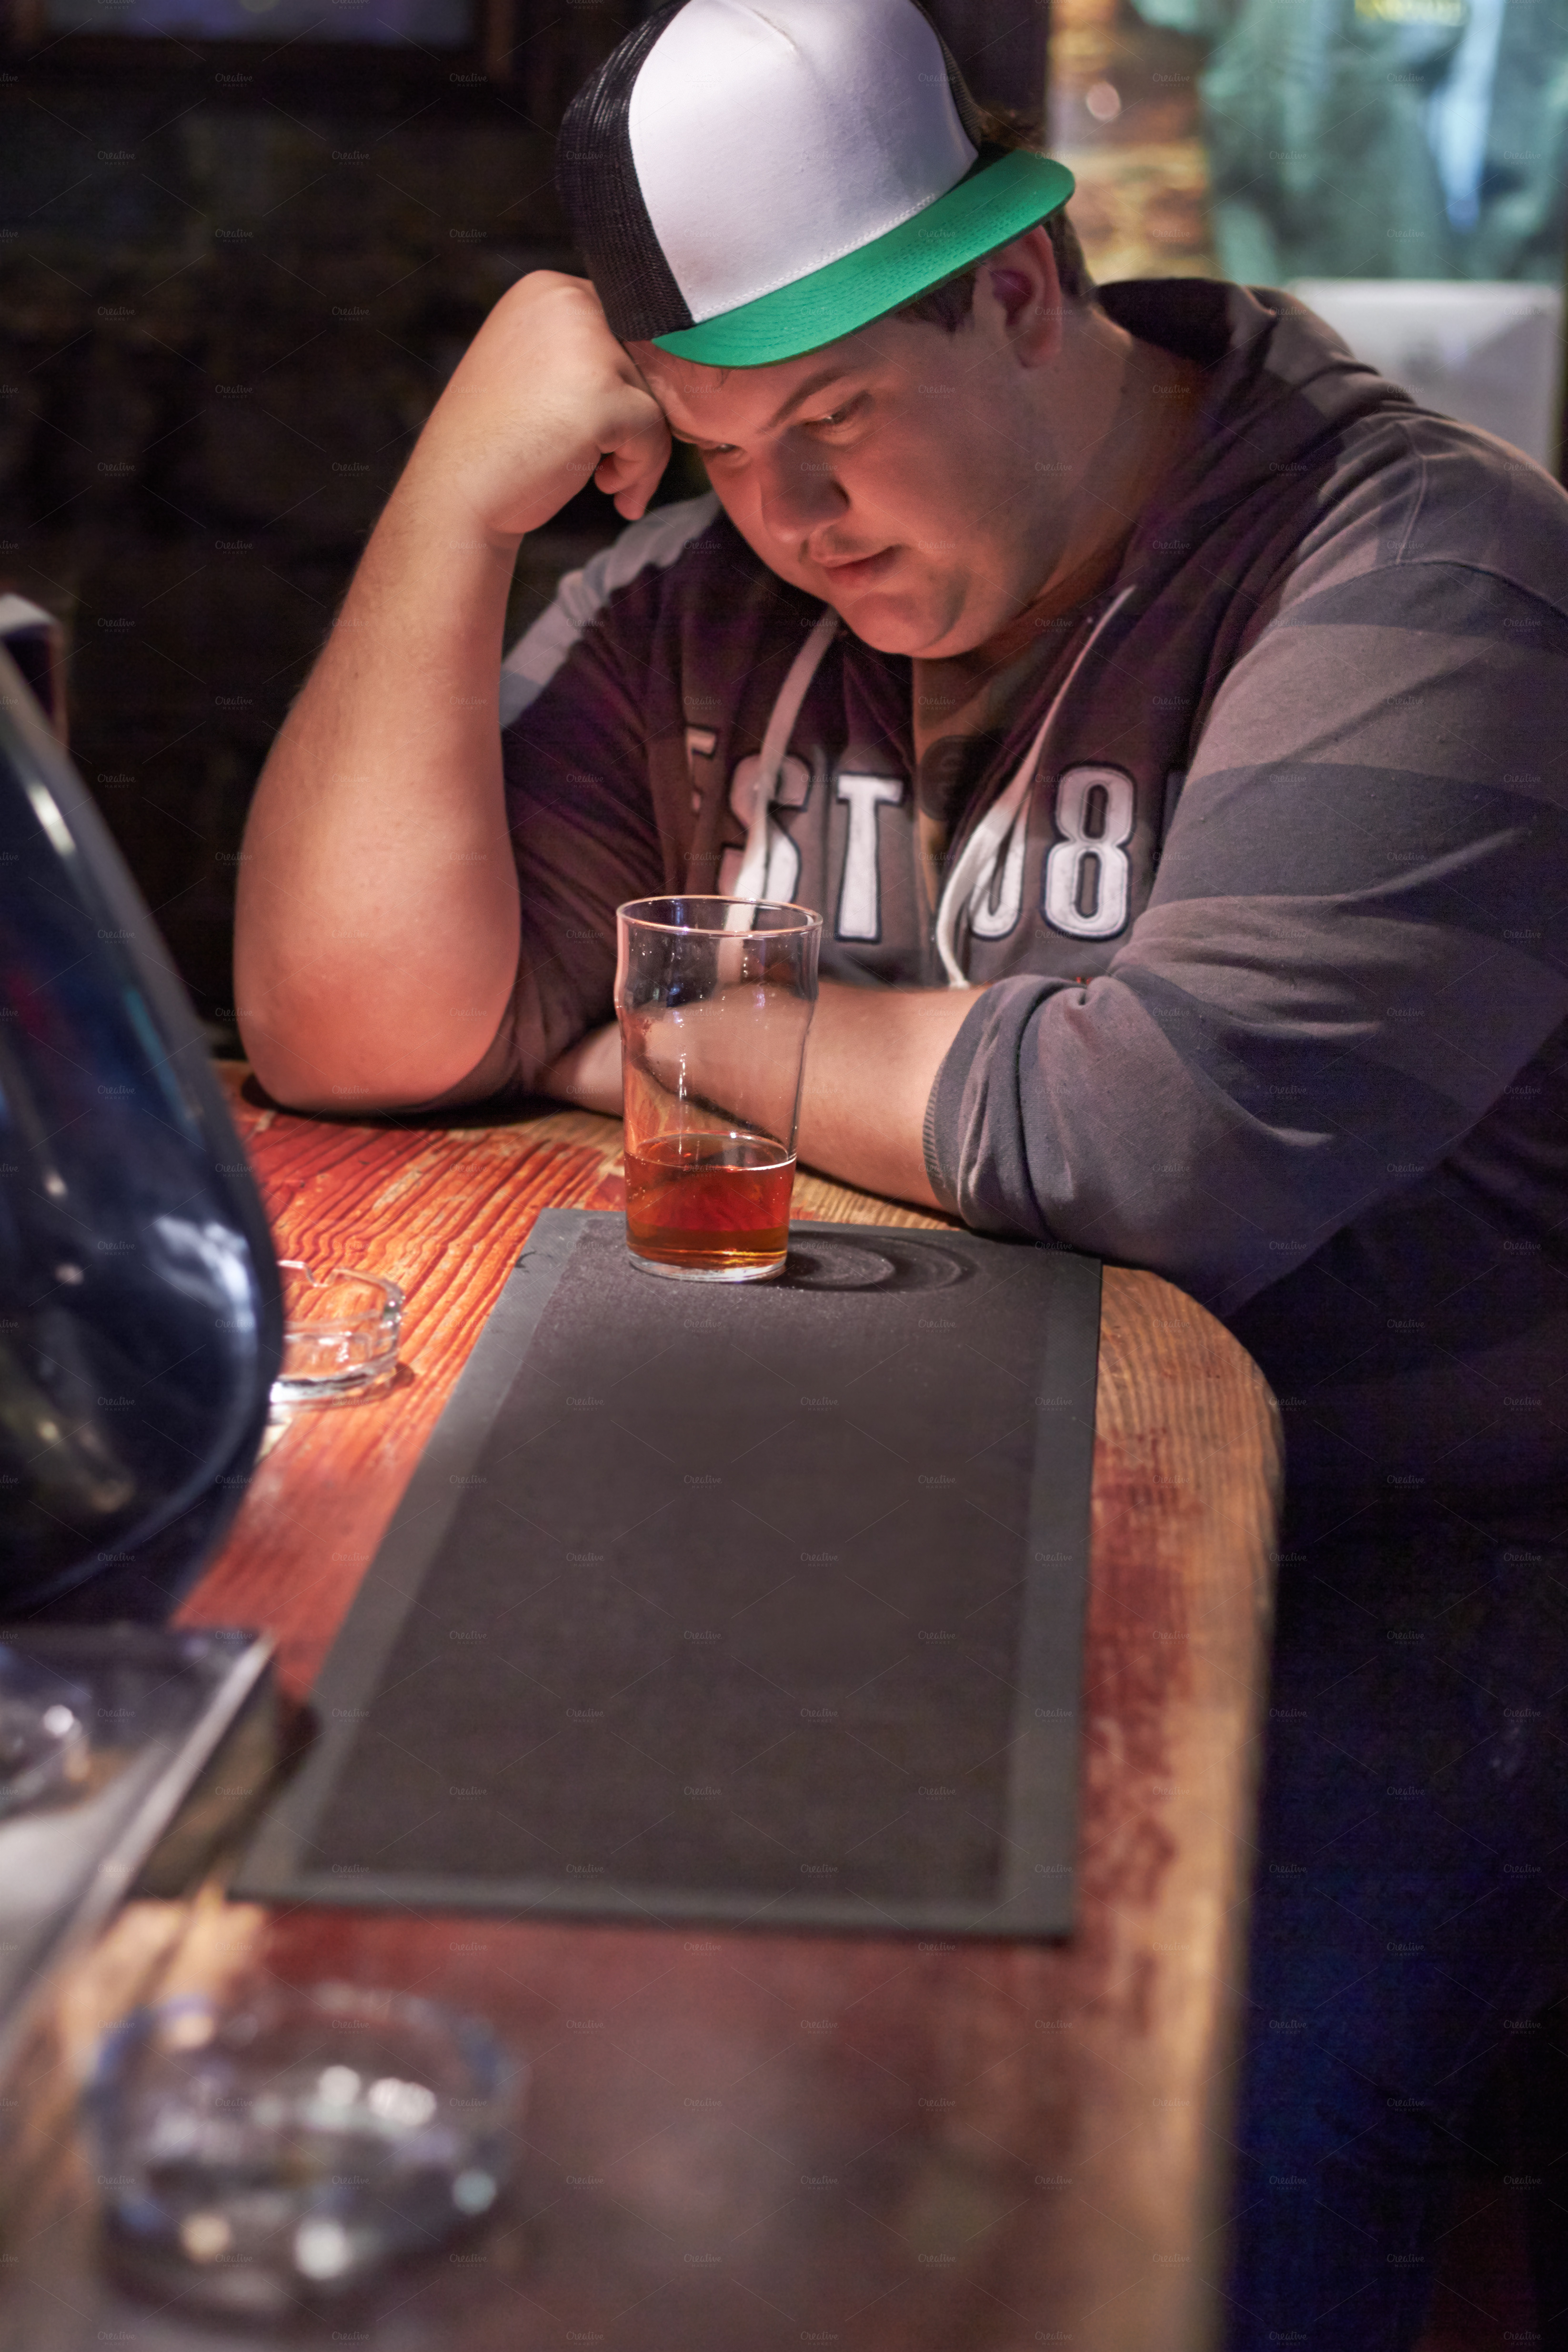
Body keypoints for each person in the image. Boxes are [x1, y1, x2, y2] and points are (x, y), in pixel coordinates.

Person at [233, 1, 1568, 2340]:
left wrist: (648, 1023)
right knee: (466, 1967)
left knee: (1188, 2128)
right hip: (893, 1512)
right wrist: (453, 511)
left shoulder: (1428, 568)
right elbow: (352, 1020)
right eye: (721, 447)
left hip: (1414, 1550)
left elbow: (1149, 1138)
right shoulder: (711, 598)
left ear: (1021, 288)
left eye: (837, 417)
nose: (793, 517)